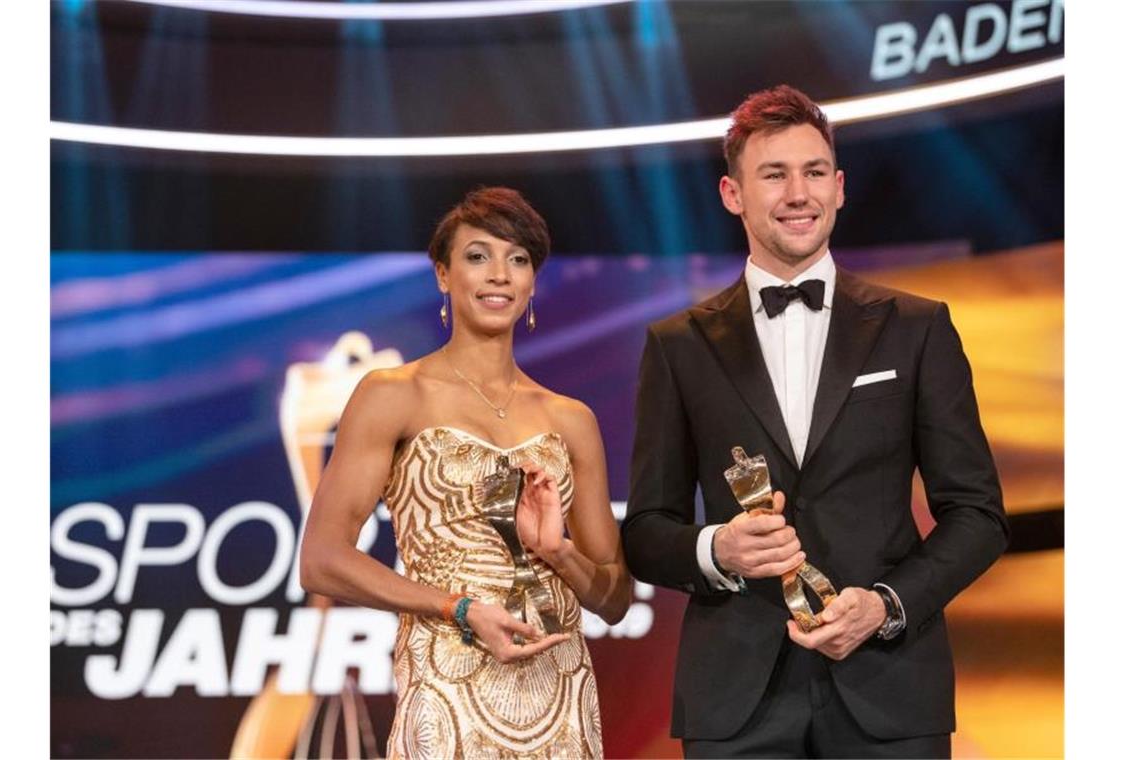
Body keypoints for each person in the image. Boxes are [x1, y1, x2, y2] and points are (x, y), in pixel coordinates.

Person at [622, 85, 1009, 758]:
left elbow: (977, 514)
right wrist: (720, 550)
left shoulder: (917, 329)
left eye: (814, 172)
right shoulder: (679, 345)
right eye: (774, 174)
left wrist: (885, 604)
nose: (798, 193)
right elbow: (648, 531)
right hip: (737, 701)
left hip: (889, 689)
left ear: (839, 187)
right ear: (731, 194)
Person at [300, 186, 631, 759]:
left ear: (532, 283)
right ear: (443, 275)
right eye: (478, 256)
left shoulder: (570, 419)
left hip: (561, 698)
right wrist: (457, 607)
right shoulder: (393, 395)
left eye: (518, 259)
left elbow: (616, 598)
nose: (499, 274)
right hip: (447, 693)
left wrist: (558, 553)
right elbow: (322, 559)